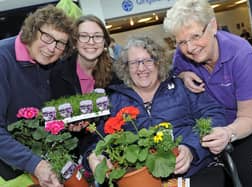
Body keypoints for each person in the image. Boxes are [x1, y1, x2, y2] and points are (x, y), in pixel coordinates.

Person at [85, 36, 227, 187]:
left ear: (158, 62)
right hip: (140, 179)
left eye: (148, 60)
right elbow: (97, 141)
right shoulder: (114, 101)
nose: (141, 68)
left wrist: (191, 149)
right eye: (134, 63)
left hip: (194, 172)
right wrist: (94, 156)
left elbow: (215, 114)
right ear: (126, 67)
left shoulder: (182, 88)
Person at [163, 0, 252, 186]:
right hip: (214, 118)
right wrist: (182, 75)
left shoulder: (242, 55)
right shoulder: (181, 57)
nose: (190, 47)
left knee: (239, 167)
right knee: (216, 170)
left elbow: (248, 117)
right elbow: (172, 76)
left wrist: (228, 132)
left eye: (195, 36)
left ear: (212, 26)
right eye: (181, 42)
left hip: (247, 118)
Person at [0, 5, 74, 187]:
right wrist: (35, 165)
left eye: (60, 43)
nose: (51, 48)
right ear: (31, 31)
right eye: (47, 37)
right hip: (9, 174)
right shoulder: (2, 59)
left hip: (42, 167)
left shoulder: (50, 65)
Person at [50, 15, 120, 155]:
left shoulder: (116, 73)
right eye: (84, 36)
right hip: (75, 151)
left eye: (97, 36)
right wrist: (68, 125)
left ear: (105, 42)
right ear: (75, 41)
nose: (91, 42)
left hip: (113, 146)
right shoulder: (59, 73)